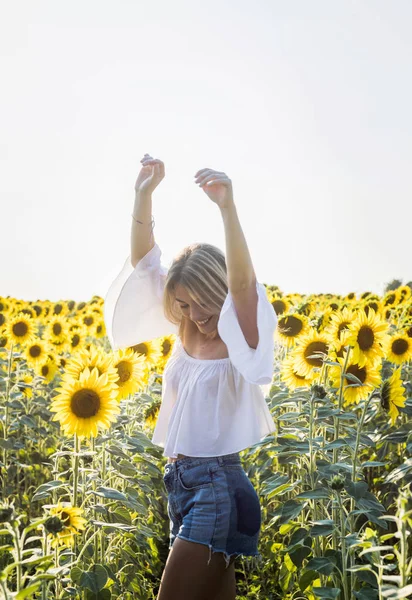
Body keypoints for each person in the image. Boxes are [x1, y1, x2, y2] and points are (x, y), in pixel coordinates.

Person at [103, 153, 278, 600]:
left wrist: (228, 208)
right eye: (183, 303)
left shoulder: (239, 330)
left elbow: (241, 286)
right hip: (179, 485)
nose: (196, 315)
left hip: (216, 487)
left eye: (203, 302)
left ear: (219, 292)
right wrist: (143, 194)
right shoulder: (184, 324)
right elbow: (145, 263)